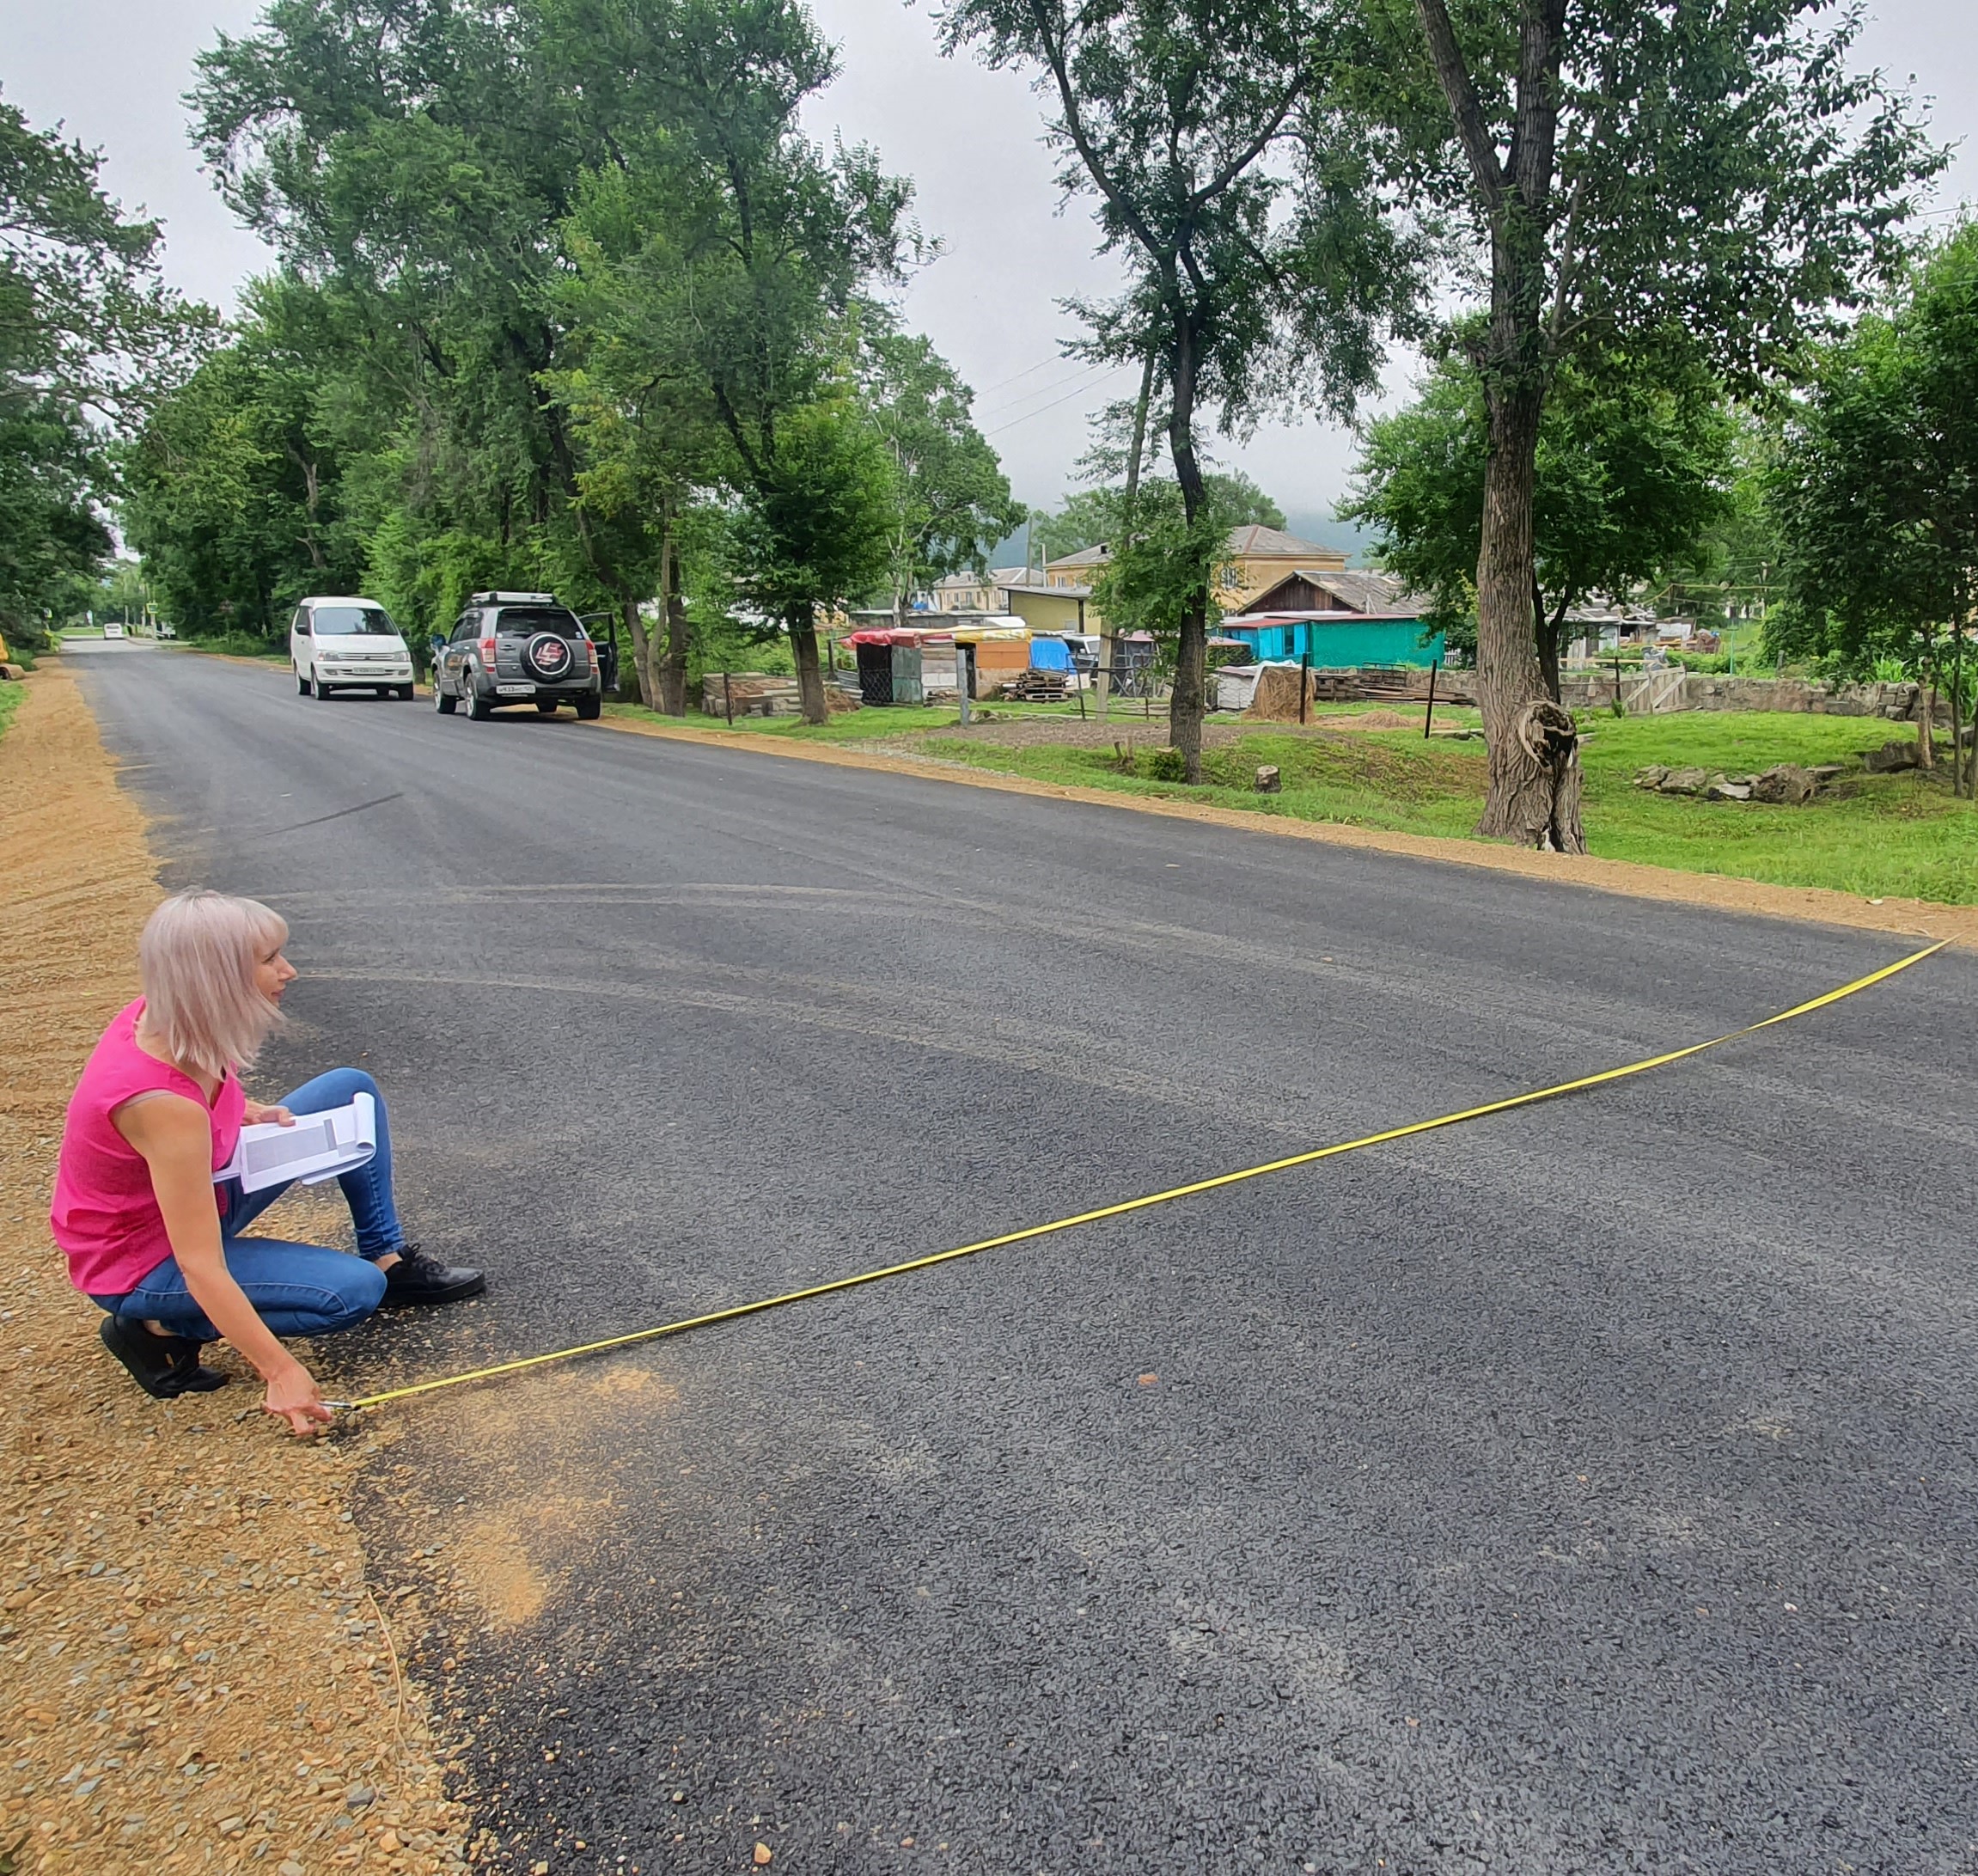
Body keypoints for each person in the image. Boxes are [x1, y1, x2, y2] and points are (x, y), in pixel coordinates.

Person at [51, 889, 485, 1435]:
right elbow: (199, 1263)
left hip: (203, 1185)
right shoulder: (161, 1105)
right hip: (139, 1259)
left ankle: (386, 1258)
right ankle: (159, 1324)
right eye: (269, 960)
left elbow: (187, 1110)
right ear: (216, 979)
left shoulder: (169, 1016)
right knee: (350, 1295)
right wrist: (279, 1370)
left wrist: (241, 1110)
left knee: (351, 1090)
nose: (289, 970)